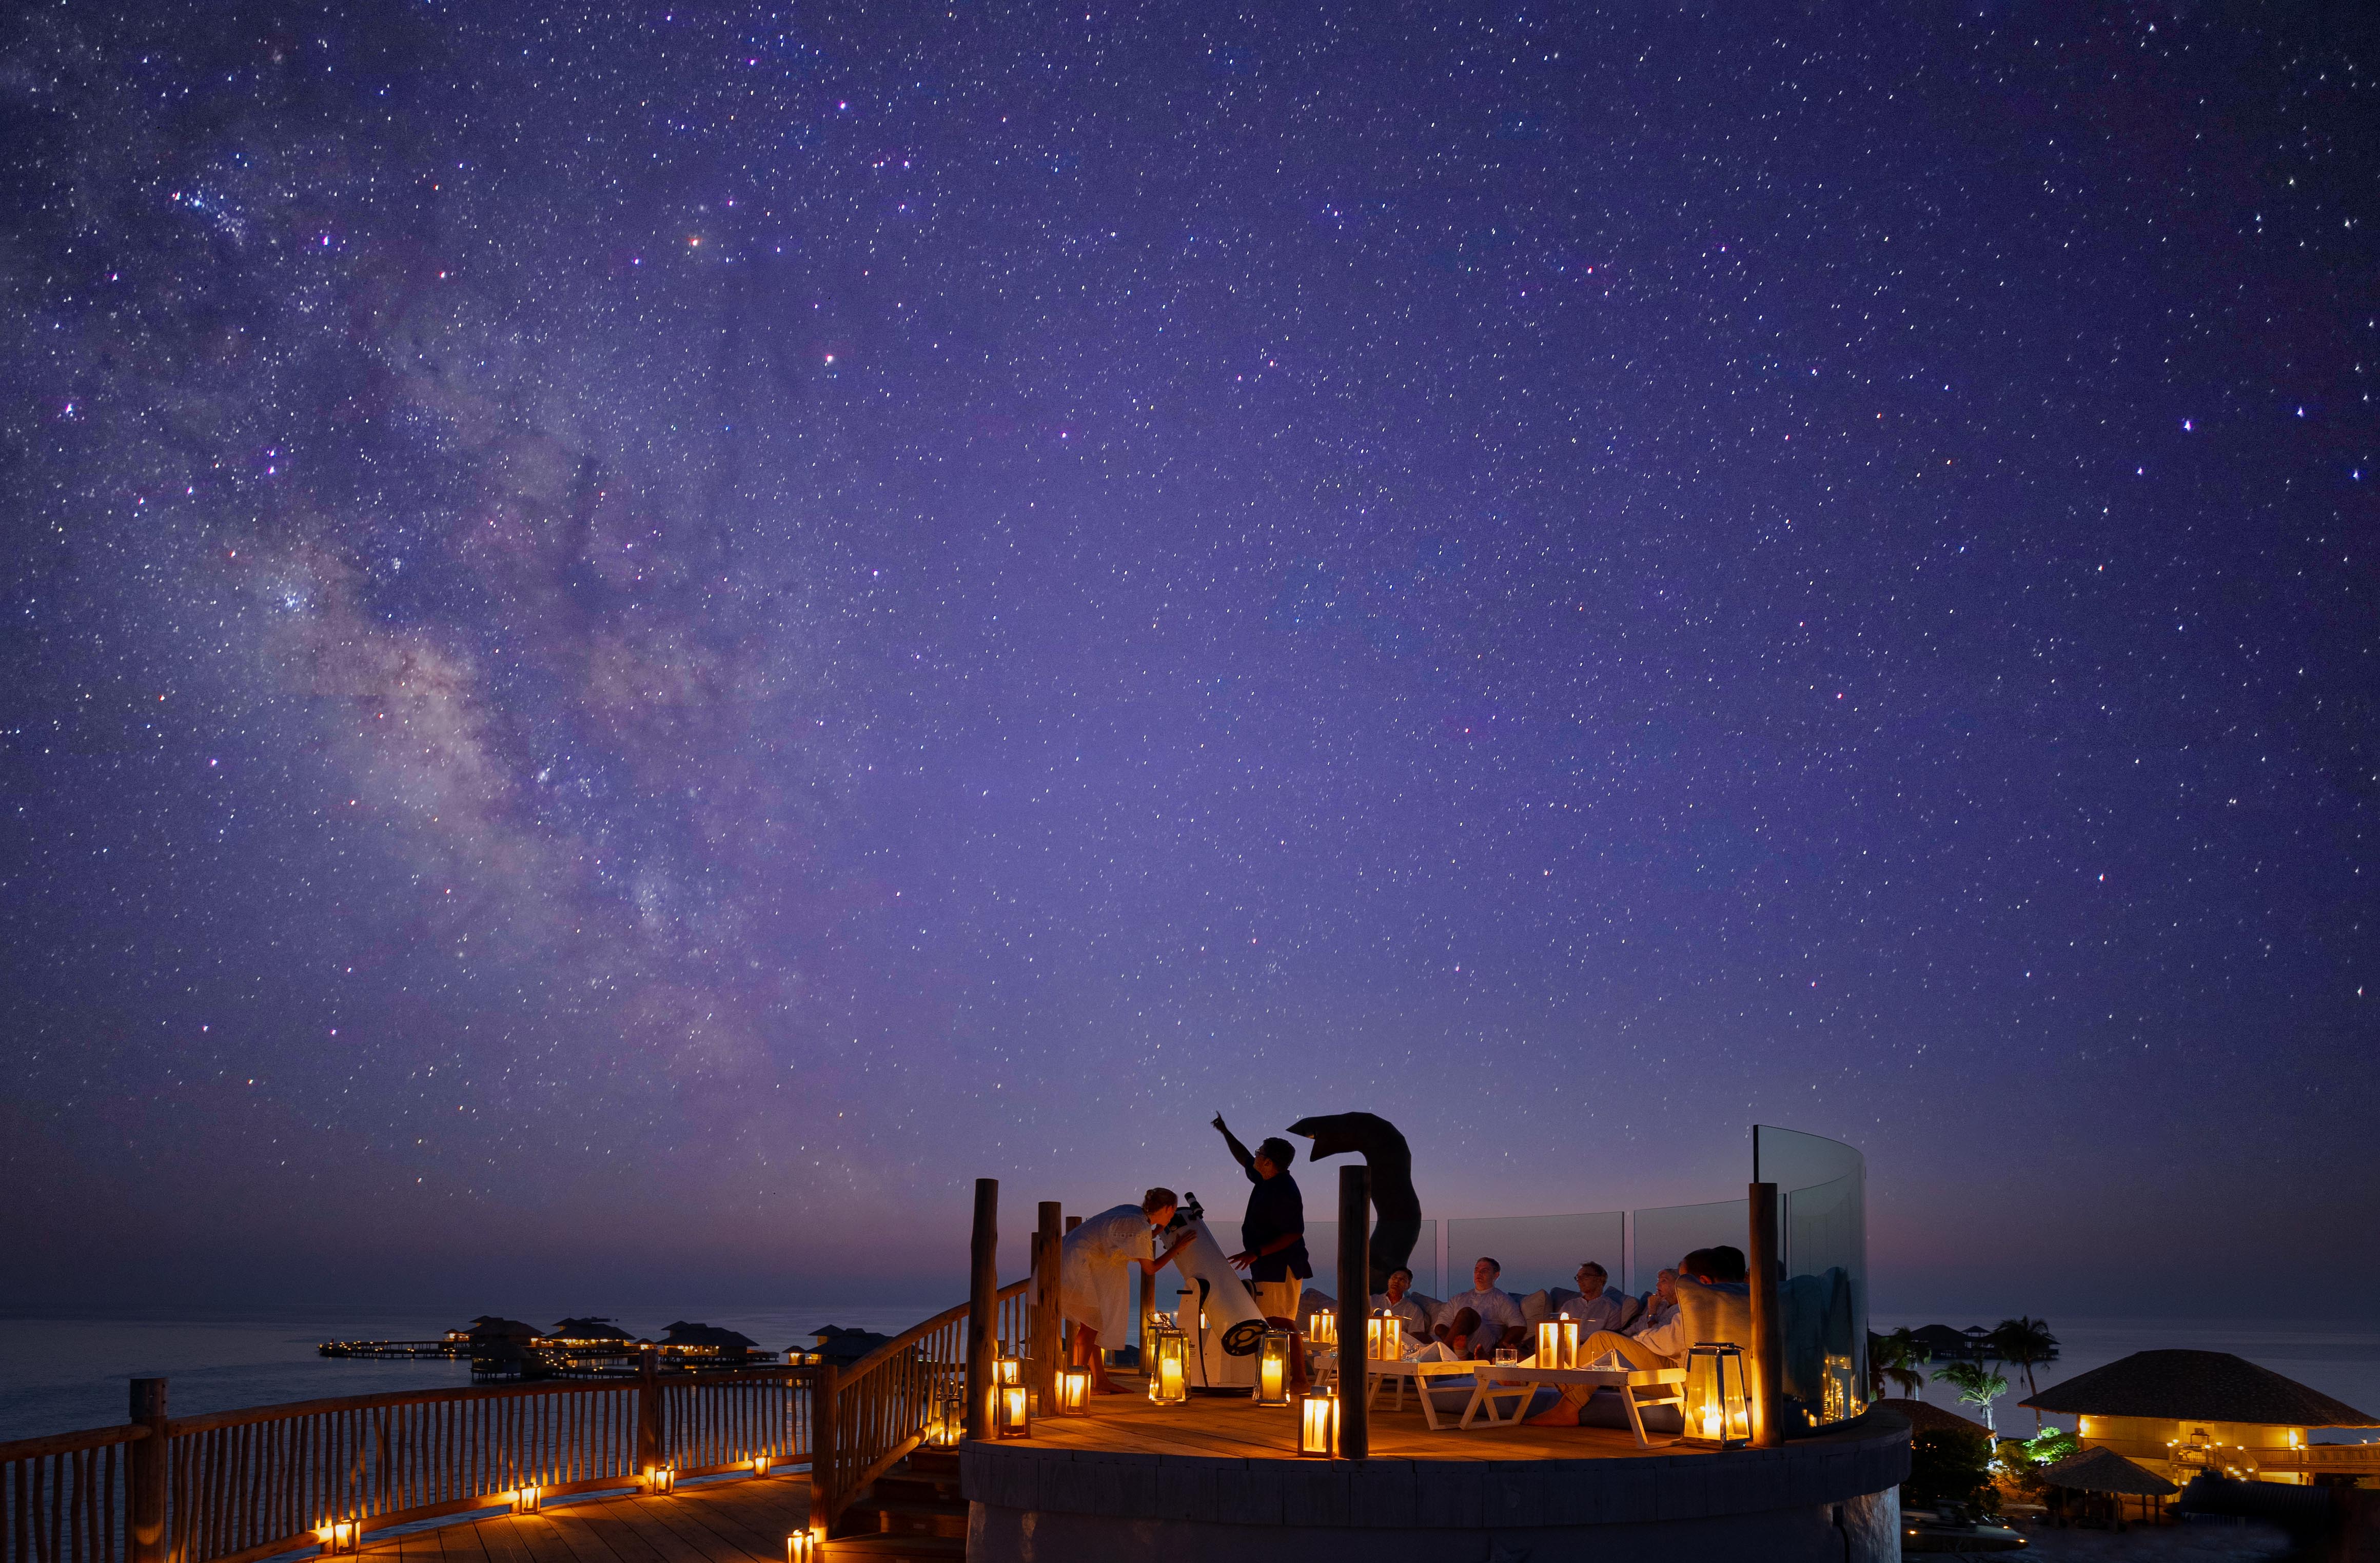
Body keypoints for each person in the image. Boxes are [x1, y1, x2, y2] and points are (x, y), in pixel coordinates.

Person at [1527, 1252, 1730, 1427]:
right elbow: (1647, 1335)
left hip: (1679, 1375)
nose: (1678, 1287)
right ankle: (1541, 1380)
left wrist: (1641, 1335)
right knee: (1600, 1347)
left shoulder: (1694, 1310)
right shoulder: (1716, 1306)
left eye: (1682, 1281)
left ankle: (1549, 1389)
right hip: (1668, 1362)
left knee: (1604, 1342)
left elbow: (1663, 1341)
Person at [1059, 1189, 1193, 1394]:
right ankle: (1079, 1383)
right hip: (1084, 1264)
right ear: (1168, 1209)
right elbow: (1150, 1269)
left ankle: (1100, 1381)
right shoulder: (1139, 1226)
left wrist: (1157, 1232)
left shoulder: (1134, 1214)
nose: (1172, 1216)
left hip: (1081, 1259)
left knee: (1094, 1323)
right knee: (1091, 1325)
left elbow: (1125, 1239)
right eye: (1172, 1212)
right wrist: (1177, 1248)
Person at [1212, 1115, 1312, 1324]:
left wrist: (1256, 1253)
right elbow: (1244, 1157)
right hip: (1267, 1266)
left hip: (1280, 1268)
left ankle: (1294, 1359)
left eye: (1260, 1152)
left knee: (1281, 1322)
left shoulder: (1284, 1189)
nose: (1255, 1155)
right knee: (1271, 1320)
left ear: (1268, 1162)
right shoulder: (1266, 1179)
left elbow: (1294, 1232)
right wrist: (1225, 1132)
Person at [1436, 1256, 1525, 1359]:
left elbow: (1519, 1327)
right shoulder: (1459, 1298)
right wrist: (1454, 1340)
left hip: (1484, 1342)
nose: (1479, 1274)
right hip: (1458, 1339)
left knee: (1467, 1313)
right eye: (1477, 1270)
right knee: (1419, 1337)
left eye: (1485, 1271)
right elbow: (1440, 1325)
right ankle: (1457, 1350)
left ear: (1496, 1275)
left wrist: (1496, 1349)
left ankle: (1444, 1355)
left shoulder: (1502, 1299)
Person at [1559, 1261, 1629, 1333]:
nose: (1580, 1281)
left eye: (1585, 1277)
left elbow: (1609, 1338)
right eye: (1578, 1278)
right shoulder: (1569, 1306)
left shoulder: (1612, 1309)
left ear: (1600, 1280)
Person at [1370, 1266, 1429, 1351]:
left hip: (1398, 1349)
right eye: (1394, 1278)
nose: (1397, 1281)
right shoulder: (1373, 1301)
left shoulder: (1414, 1310)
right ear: (1389, 1281)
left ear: (1408, 1286)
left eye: (1402, 1280)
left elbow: (1414, 1337)